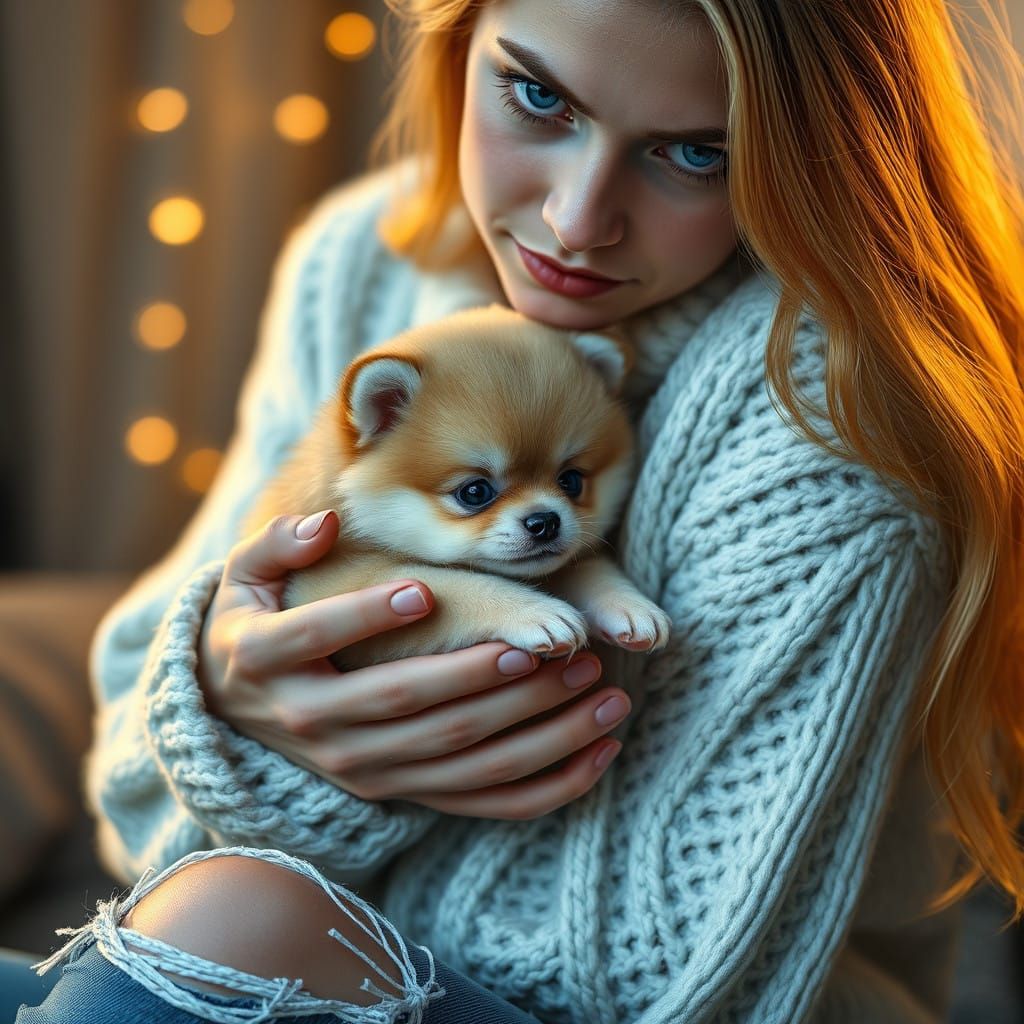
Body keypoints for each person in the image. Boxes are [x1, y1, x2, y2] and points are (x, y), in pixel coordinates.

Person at [15, 0, 1024, 1020]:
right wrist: (244, 728)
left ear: (807, 157)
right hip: (286, 958)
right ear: (458, 45)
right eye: (538, 96)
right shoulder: (364, 260)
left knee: (229, 922)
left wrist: (311, 815)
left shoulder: (836, 410)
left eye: (693, 153)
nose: (577, 221)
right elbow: (130, 789)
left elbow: (672, 977)